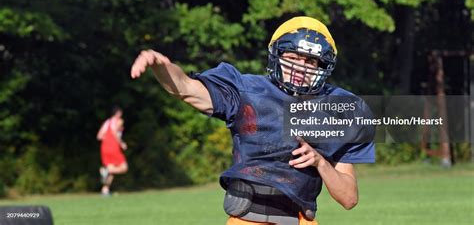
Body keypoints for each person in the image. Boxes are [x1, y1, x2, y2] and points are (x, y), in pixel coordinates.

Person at [130, 16, 375, 224]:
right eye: (294, 57)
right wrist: (160, 66)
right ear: (277, 55)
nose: (302, 67)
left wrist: (321, 162)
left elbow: (349, 198)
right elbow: (185, 88)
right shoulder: (247, 90)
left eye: (310, 61)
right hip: (246, 218)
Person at [97, 106, 128, 196]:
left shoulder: (107, 122)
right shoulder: (119, 121)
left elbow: (99, 136)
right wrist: (121, 143)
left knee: (111, 170)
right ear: (118, 113)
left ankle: (105, 190)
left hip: (104, 147)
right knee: (124, 168)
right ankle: (106, 171)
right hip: (113, 146)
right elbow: (114, 132)